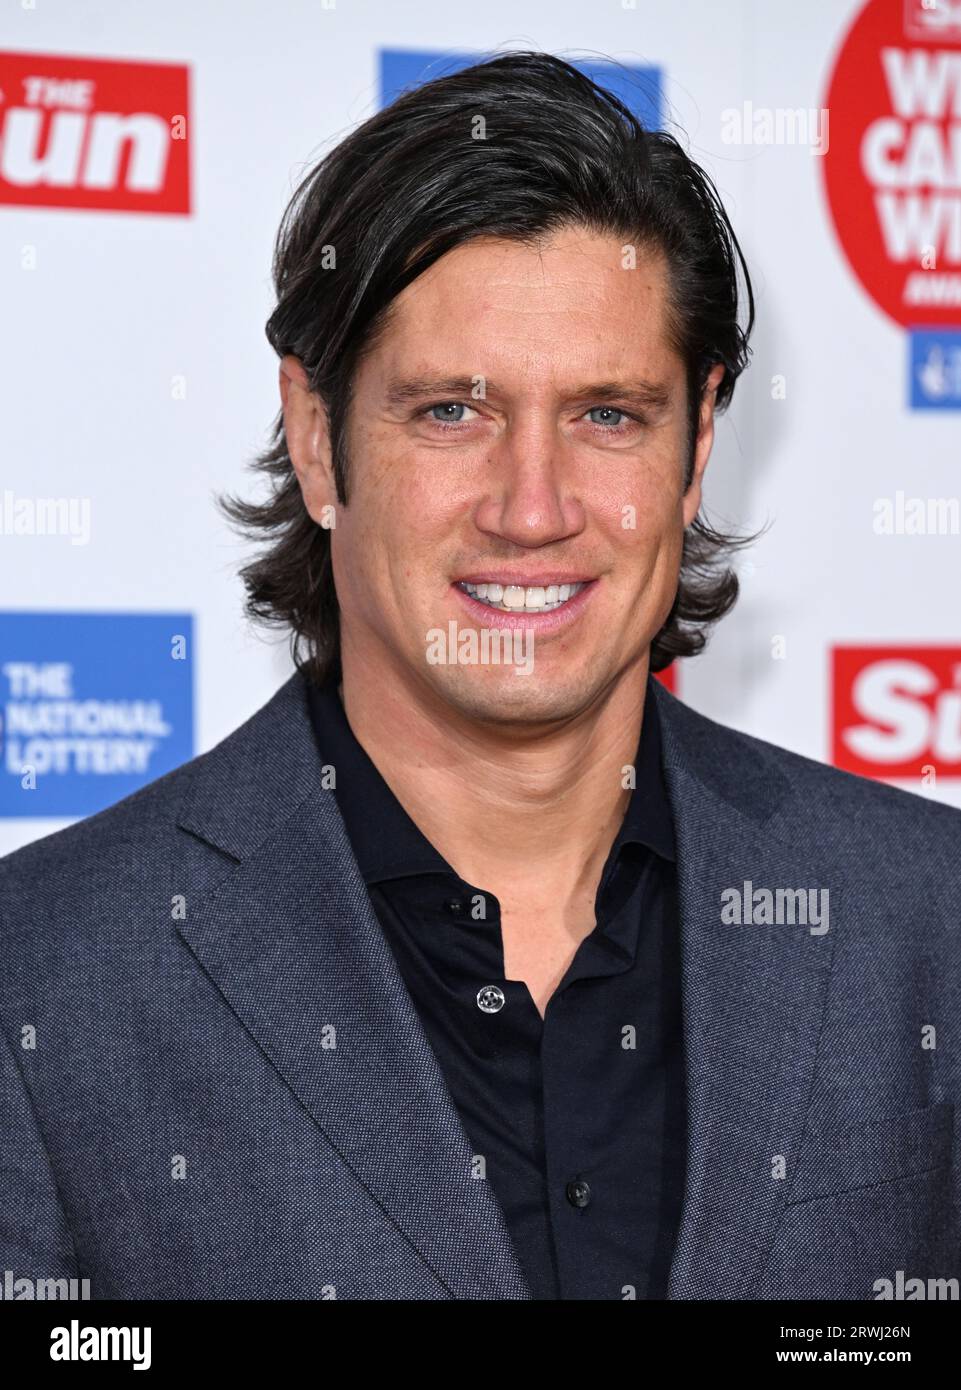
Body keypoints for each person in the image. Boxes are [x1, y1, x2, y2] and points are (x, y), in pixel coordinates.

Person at [1, 52, 958, 1302]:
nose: (533, 507)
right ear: (317, 436)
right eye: (452, 410)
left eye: (608, 413)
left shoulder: (924, 921)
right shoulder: (47, 974)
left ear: (697, 443)